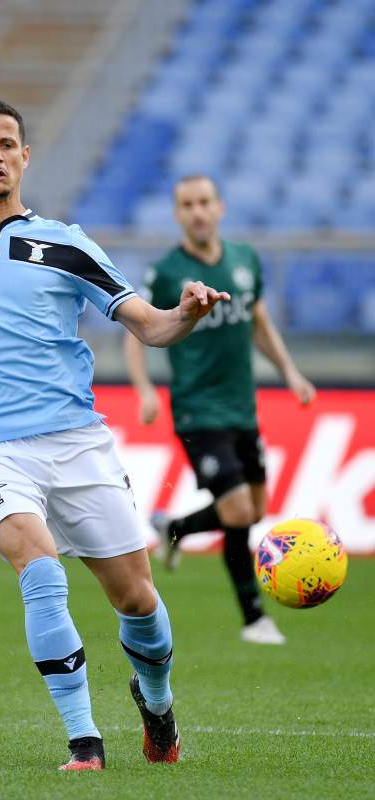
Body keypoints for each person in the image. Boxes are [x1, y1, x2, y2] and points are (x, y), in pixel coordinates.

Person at [0, 99, 230, 771]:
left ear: (25, 157)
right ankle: (85, 743)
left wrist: (188, 312)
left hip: (74, 440)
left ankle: (157, 703)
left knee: (137, 599)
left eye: (7, 144)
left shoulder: (67, 244)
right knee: (41, 572)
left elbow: (150, 325)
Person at [124, 174, 315, 646]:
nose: (197, 211)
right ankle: (254, 618)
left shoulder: (245, 259)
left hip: (241, 407)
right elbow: (137, 330)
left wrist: (290, 372)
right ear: (177, 214)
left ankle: (175, 527)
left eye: (204, 202)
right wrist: (145, 389)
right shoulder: (167, 272)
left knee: (255, 509)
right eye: (187, 204)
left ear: (219, 207)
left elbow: (259, 323)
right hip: (197, 409)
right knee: (236, 510)